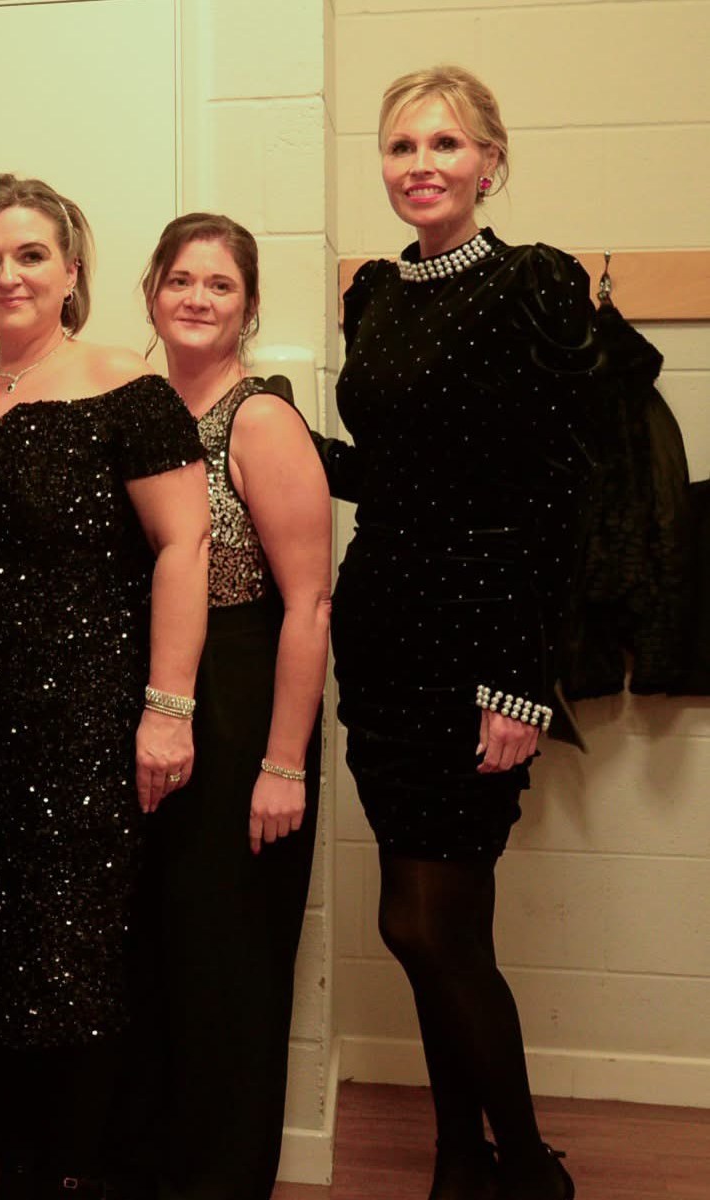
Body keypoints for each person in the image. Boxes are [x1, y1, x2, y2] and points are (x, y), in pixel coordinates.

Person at [317, 65, 599, 1200]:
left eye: (443, 144)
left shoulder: (534, 285)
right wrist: (262, 428)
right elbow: (388, 474)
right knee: (417, 929)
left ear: (489, 160)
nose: (420, 165)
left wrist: (522, 683)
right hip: (383, 631)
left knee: (434, 928)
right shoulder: (373, 297)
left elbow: (561, 496)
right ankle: (456, 1161)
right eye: (399, 147)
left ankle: (524, 1166)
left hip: (479, 641)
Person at [0, 175, 210, 1200]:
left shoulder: (126, 389)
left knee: (72, 966)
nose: (8, 274)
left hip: (85, 725)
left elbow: (185, 546)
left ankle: (74, 1179)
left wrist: (166, 710)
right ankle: (17, 1172)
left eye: (30, 254)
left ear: (71, 270)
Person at [129, 213, 332, 1199]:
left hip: (246, 689)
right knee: (158, 958)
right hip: (152, 690)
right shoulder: (130, 403)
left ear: (248, 306)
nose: (197, 298)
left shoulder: (260, 419)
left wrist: (282, 762)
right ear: (151, 292)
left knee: (228, 968)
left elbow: (310, 602)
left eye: (218, 284)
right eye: (180, 280)